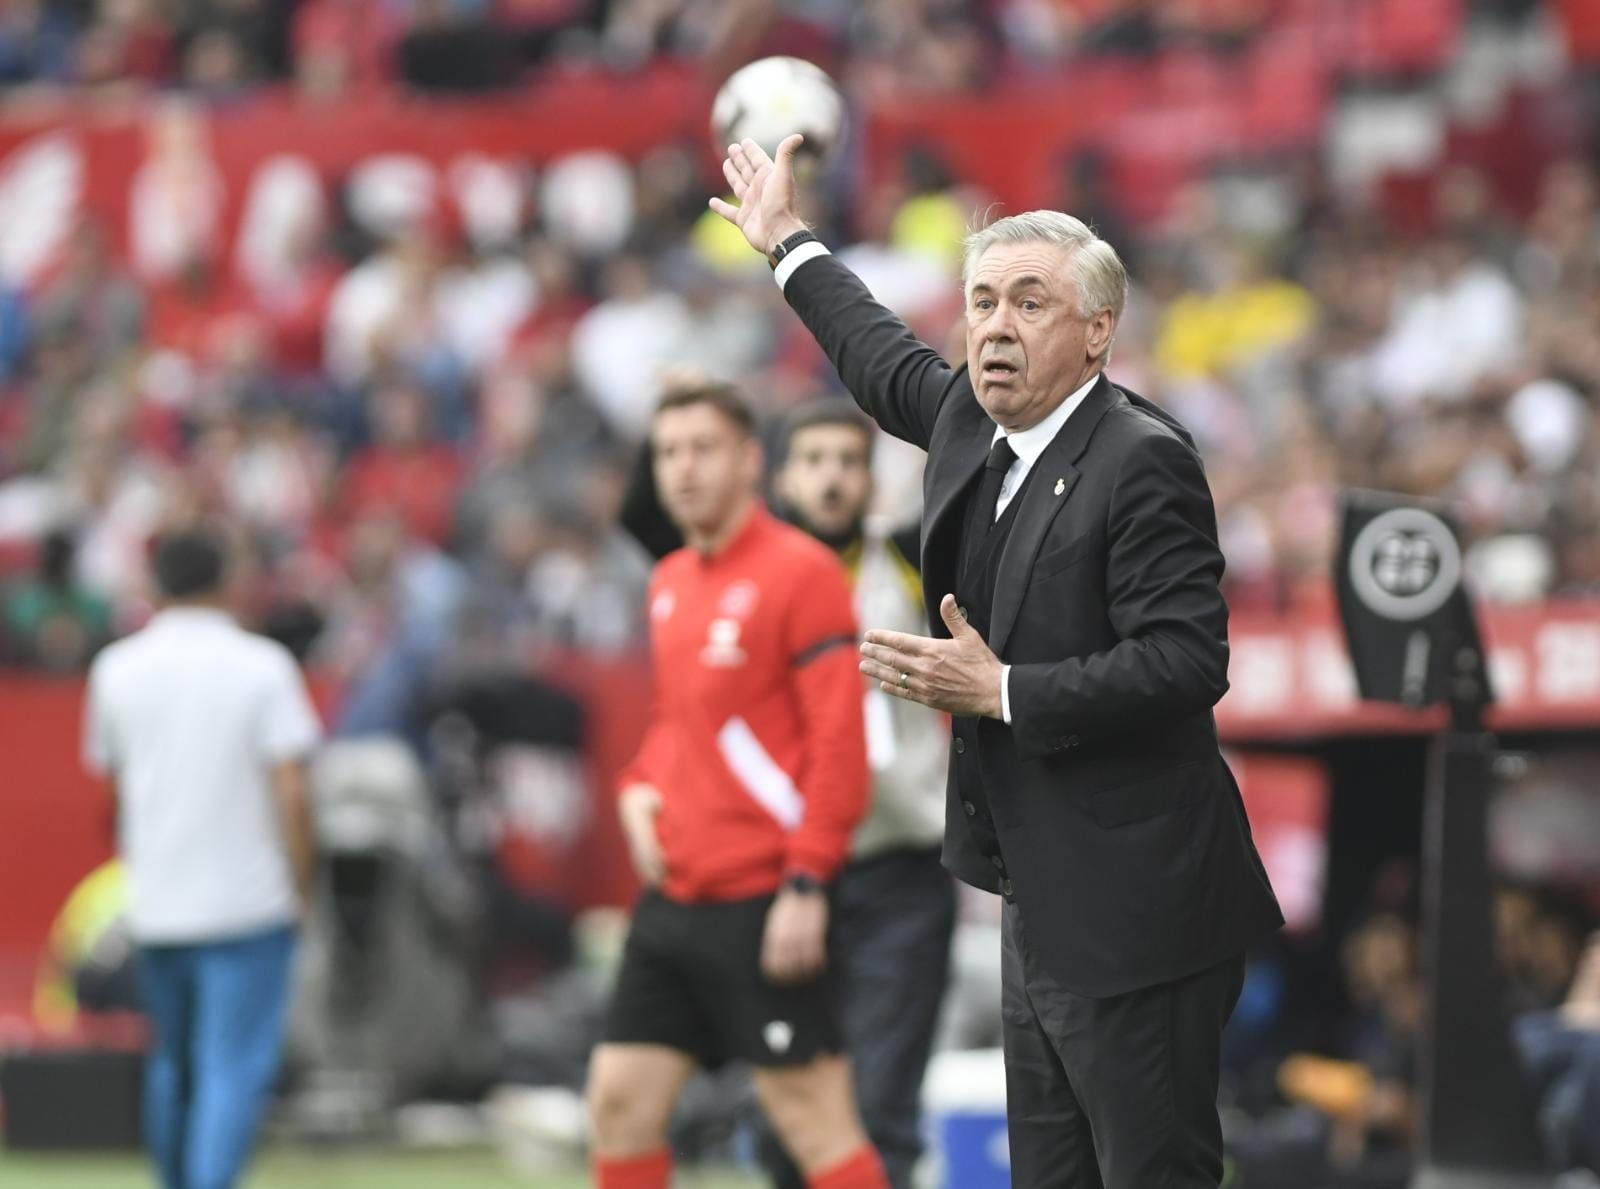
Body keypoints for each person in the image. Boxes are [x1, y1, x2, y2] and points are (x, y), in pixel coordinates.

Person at [711, 137, 1285, 1189]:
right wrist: (786, 240)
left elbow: (1185, 662)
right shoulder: (973, 423)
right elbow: (877, 355)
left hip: (1141, 903)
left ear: (1098, 330)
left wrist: (1002, 690)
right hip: (1038, 896)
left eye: (1029, 302)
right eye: (981, 302)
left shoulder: (1143, 459)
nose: (996, 327)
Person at [619, 398, 954, 1189]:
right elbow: (647, 518)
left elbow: (967, 489)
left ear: (874, 481)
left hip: (895, 867)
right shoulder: (744, 570)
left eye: (848, 462)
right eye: (813, 461)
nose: (831, 479)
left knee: (877, 1106)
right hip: (787, 872)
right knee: (784, 1117)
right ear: (778, 475)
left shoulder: (909, 560)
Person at [82, 528, 320, 1189]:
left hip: (158, 903)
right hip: (247, 903)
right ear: (228, 581)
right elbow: (293, 790)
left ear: (154, 585)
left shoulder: (116, 669)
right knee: (230, 1068)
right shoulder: (263, 666)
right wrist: (302, 884)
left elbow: (111, 792)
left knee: (174, 1065)